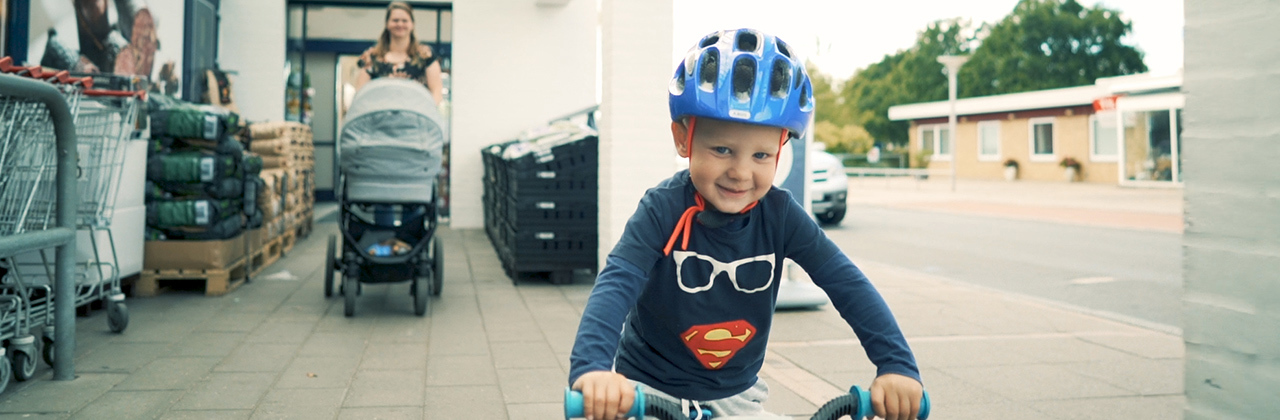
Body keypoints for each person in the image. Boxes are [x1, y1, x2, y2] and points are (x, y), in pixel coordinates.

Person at [569, 29, 924, 420]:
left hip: (739, 398)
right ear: (683, 139)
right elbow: (617, 282)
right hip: (648, 394)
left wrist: (897, 365)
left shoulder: (781, 215)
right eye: (722, 149)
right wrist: (593, 369)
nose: (740, 172)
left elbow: (846, 283)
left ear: (780, 151)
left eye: (760, 154)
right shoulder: (662, 209)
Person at [355, 1, 444, 106]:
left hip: (415, 118)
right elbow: (360, 95)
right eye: (395, 20)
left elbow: (437, 92)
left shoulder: (426, 55)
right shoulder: (371, 56)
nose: (400, 24)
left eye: (405, 21)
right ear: (387, 24)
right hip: (380, 119)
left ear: (412, 24)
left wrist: (427, 112)